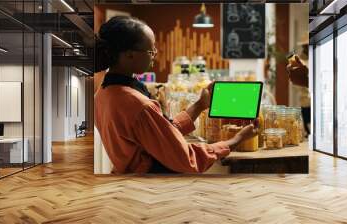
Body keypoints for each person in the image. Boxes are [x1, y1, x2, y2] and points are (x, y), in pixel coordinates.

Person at [94, 16, 258, 174]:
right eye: (151, 50)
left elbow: (162, 134)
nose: (155, 54)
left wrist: (200, 105)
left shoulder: (103, 93)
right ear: (129, 54)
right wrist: (237, 139)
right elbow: (187, 159)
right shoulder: (139, 105)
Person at [287, 34, 310, 137]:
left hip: (318, 100)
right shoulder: (298, 60)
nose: (306, 47)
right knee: (307, 128)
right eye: (305, 45)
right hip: (305, 100)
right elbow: (294, 83)